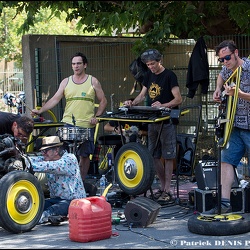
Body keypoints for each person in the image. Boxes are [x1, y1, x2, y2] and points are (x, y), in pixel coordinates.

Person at [31, 52, 107, 182]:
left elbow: (103, 101)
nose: (76, 66)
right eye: (73, 64)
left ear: (85, 65)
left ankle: (80, 184)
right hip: (67, 123)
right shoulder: (66, 82)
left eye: (78, 63)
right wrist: (41, 110)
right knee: (60, 154)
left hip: (86, 124)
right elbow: (55, 99)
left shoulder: (93, 81)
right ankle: (62, 184)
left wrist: (97, 117)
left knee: (85, 156)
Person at [123, 49, 182, 202]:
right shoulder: (148, 75)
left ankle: (168, 190)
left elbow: (178, 99)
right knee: (153, 154)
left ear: (160, 61)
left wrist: (163, 105)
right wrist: (132, 102)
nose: (151, 67)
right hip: (152, 120)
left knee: (168, 155)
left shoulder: (170, 75)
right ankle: (163, 187)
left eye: (153, 64)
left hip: (166, 120)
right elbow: (142, 95)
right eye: (148, 65)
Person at [202, 40, 250, 216]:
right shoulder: (227, 69)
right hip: (234, 124)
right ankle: (224, 203)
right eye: (221, 59)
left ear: (236, 52)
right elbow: (221, 76)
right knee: (226, 161)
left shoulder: (249, 69)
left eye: (227, 57)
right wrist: (217, 89)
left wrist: (237, 93)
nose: (225, 62)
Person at [27, 135, 86, 225]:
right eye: (42, 151)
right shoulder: (48, 158)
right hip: (56, 199)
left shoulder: (69, 159)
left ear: (57, 150)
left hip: (74, 201)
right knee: (36, 205)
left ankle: (33, 221)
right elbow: (33, 159)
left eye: (46, 150)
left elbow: (52, 166)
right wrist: (21, 160)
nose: (43, 153)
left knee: (51, 210)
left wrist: (28, 165)